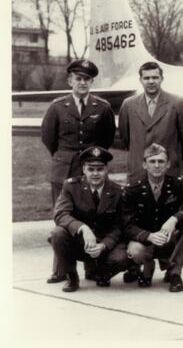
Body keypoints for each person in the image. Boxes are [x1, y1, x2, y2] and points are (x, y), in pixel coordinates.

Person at [41, 59, 115, 284]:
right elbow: (48, 138)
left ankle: (92, 267)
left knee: (93, 215)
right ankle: (62, 270)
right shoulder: (57, 106)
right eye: (78, 79)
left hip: (91, 169)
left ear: (92, 81)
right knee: (63, 219)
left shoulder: (102, 107)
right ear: (70, 80)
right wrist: (64, 157)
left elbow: (107, 138)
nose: (82, 83)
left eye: (87, 79)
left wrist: (91, 162)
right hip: (63, 168)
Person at [121, 143, 183, 292]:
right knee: (135, 251)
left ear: (168, 165)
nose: (157, 165)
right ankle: (147, 266)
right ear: (144, 164)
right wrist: (149, 236)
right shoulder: (133, 188)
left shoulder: (177, 184)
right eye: (152, 161)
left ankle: (174, 272)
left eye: (161, 161)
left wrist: (175, 219)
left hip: (168, 238)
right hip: (145, 240)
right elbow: (126, 225)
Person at [50, 147, 128, 292]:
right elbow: (60, 213)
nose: (95, 173)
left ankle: (102, 273)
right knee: (58, 233)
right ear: (83, 169)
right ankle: (71, 276)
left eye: (100, 169)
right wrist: (82, 228)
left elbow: (120, 225)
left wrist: (104, 245)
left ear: (107, 170)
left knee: (122, 257)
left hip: (104, 244)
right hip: (81, 242)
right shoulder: (71, 186)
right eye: (91, 169)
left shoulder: (118, 191)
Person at [118, 61, 183, 183]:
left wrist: (174, 156)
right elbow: (125, 137)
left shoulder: (177, 103)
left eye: (155, 77)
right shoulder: (128, 104)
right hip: (138, 171)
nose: (151, 81)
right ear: (140, 80)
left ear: (161, 79)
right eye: (146, 78)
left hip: (168, 171)